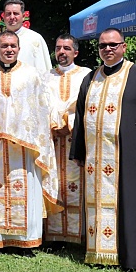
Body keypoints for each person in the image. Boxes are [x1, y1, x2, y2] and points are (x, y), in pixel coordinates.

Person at [0, 30, 60, 252]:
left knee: (27, 190)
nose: (9, 50)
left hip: (25, 146)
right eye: (4, 46)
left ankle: (26, 241)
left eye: (13, 46)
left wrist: (39, 139)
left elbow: (41, 107)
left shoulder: (31, 74)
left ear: (19, 49)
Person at [70, 28, 136, 270]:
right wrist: (78, 152)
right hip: (95, 158)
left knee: (129, 203)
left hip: (129, 154)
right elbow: (80, 117)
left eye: (113, 44)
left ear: (124, 46)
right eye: (103, 45)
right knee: (97, 202)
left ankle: (130, 257)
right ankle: (98, 252)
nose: (108, 49)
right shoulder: (90, 78)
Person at [44, 34, 90, 244]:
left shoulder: (87, 75)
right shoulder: (45, 77)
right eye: (58, 48)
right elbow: (41, 105)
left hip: (75, 138)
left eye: (66, 48)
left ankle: (75, 235)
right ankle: (53, 235)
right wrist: (54, 123)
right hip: (52, 140)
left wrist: (67, 122)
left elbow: (86, 106)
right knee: (54, 182)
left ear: (76, 52)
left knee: (75, 183)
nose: (61, 52)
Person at [0, 0, 52, 74]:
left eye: (15, 13)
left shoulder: (35, 40)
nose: (12, 17)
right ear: (3, 17)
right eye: (8, 14)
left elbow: (44, 72)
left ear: (23, 16)